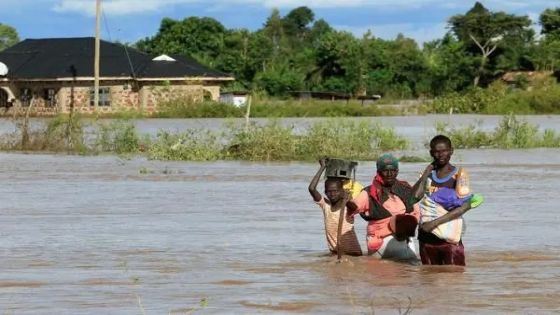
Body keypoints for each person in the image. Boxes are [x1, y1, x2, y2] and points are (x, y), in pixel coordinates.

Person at [412, 135, 483, 266]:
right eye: (436, 152)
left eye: (444, 151)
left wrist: (433, 224)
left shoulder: (459, 175)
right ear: (431, 153)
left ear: (451, 151)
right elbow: (414, 197)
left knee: (453, 280)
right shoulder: (427, 175)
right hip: (426, 238)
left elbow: (464, 207)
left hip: (449, 239)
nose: (440, 155)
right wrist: (427, 172)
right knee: (428, 280)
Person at [346, 153, 420, 261]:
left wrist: (405, 228)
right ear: (379, 172)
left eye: (393, 170)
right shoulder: (369, 192)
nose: (389, 174)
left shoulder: (406, 188)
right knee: (380, 274)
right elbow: (354, 207)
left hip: (404, 239)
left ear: (397, 171)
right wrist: (347, 200)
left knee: (409, 272)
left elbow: (416, 213)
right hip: (379, 241)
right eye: (385, 171)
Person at [309, 158, 362, 256]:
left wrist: (347, 199)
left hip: (352, 254)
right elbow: (312, 189)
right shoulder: (326, 206)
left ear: (342, 191)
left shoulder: (347, 207)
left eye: (336, 191)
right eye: (329, 191)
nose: (332, 194)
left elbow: (355, 208)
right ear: (325, 192)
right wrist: (322, 168)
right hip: (335, 252)